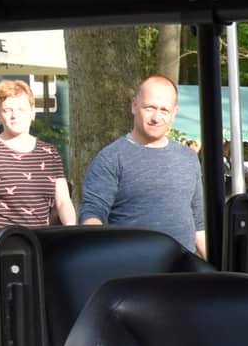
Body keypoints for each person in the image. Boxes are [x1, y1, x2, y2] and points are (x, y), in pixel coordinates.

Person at [79, 76, 205, 257]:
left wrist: (221, 268)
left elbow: (199, 226)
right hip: (132, 268)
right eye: (150, 108)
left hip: (183, 268)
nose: (156, 117)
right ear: (134, 106)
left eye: (164, 110)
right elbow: (92, 215)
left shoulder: (189, 158)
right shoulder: (111, 158)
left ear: (174, 113)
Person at [0, 79, 74, 260]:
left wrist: (71, 236)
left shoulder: (50, 153)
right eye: (7, 110)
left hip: (39, 247)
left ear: (32, 112)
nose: (15, 115)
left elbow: (63, 202)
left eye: (21, 109)